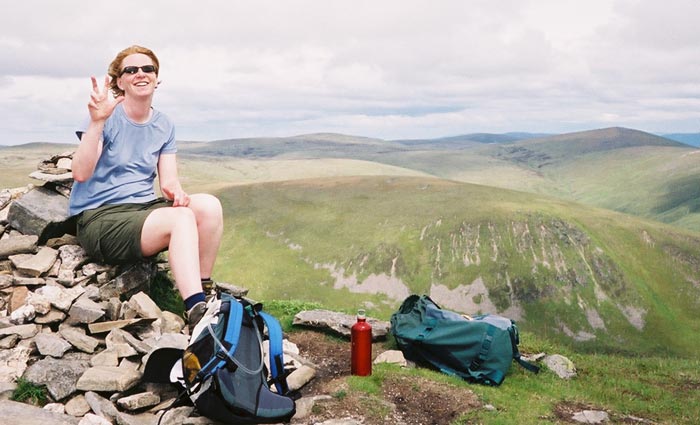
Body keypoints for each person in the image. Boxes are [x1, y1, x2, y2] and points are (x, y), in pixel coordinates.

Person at [68, 45, 223, 333]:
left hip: (140, 210)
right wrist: (97, 122)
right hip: (100, 218)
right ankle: (196, 310)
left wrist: (178, 193)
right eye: (131, 70)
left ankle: (204, 290)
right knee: (181, 219)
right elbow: (80, 172)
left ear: (157, 77)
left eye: (147, 68)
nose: (140, 73)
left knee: (209, 207)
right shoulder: (106, 116)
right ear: (119, 82)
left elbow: (168, 182)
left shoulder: (164, 124)